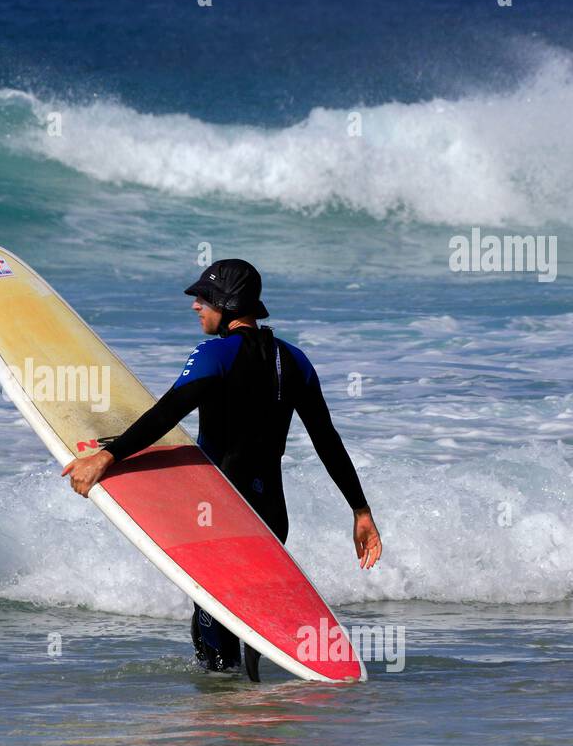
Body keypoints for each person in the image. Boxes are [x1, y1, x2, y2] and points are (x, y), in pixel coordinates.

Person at [61, 259, 381, 677]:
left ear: (227, 304)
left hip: (219, 512)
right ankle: (249, 708)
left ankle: (228, 712)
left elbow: (167, 413)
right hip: (270, 516)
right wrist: (360, 510)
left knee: (214, 641)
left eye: (204, 298)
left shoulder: (216, 354)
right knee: (246, 621)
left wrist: (107, 457)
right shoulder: (294, 360)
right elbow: (327, 441)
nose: (196, 306)